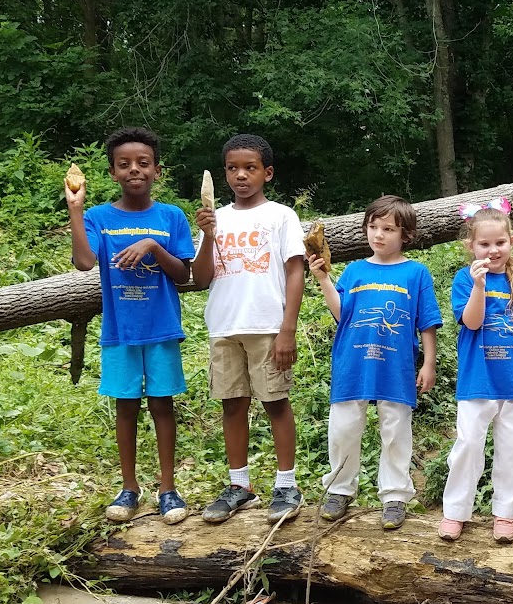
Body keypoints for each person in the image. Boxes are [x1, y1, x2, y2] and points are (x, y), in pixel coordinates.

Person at [66, 127, 195, 525]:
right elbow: (84, 263)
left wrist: (153, 246)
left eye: (143, 163)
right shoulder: (99, 217)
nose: (134, 170)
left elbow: (183, 274)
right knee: (125, 407)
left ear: (157, 170)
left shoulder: (171, 216)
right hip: (120, 331)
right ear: (113, 172)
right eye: (124, 164)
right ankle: (129, 488)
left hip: (161, 328)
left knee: (162, 405)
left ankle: (168, 489)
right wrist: (75, 210)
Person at [190, 134, 307, 525]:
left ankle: (287, 485)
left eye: (250, 168)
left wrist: (287, 329)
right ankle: (239, 486)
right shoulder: (215, 218)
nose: (240, 175)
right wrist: (208, 236)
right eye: (232, 168)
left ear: (267, 173)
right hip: (224, 326)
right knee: (232, 404)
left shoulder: (281, 216)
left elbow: (295, 271)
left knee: (275, 402)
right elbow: (200, 278)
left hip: (267, 324)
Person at [308, 195, 442, 531]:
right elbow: (342, 314)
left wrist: (428, 363)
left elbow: (427, 322)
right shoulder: (355, 270)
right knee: (343, 427)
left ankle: (395, 495)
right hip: (352, 362)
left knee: (396, 429)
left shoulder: (416, 273)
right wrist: (324, 279)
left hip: (396, 365)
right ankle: (339, 489)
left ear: (405, 234)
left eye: (388, 229)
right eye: (373, 227)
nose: (378, 235)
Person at [440, 199, 513, 544]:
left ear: (512, 241)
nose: (493, 250)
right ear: (471, 246)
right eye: (484, 244)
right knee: (468, 445)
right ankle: (455, 511)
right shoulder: (465, 279)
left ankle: (507, 512)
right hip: (477, 379)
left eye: (500, 242)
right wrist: (479, 286)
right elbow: (472, 322)